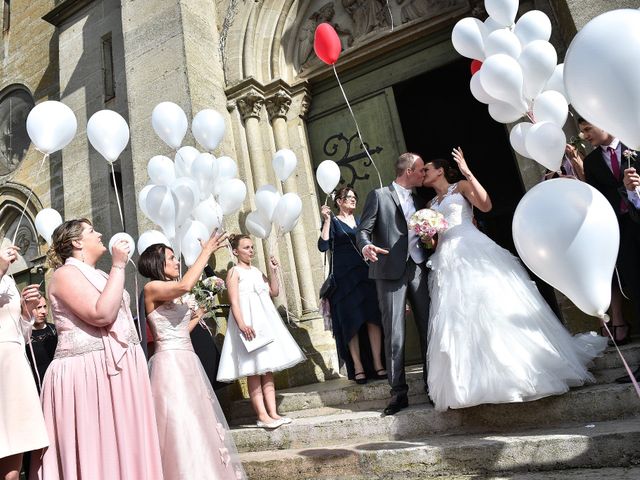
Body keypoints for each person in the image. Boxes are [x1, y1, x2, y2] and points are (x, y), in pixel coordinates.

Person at [423, 148, 608, 411]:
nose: (423, 174)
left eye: (426, 169)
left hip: (472, 246)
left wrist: (468, 172)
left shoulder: (460, 186)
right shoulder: (429, 206)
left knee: (491, 303)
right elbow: (434, 241)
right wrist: (427, 236)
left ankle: (519, 371)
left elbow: (486, 205)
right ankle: (473, 381)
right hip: (446, 256)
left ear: (440, 170)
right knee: (458, 315)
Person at [31, 219, 163, 480]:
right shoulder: (64, 275)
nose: (101, 233)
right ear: (77, 242)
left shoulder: (102, 275)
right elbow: (100, 313)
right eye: (92, 231)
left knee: (123, 443)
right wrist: (118, 265)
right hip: (86, 374)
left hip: (116, 371)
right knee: (97, 446)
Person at [139, 231, 246, 480]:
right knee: (180, 422)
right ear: (158, 264)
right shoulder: (151, 287)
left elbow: (181, 330)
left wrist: (199, 313)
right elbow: (186, 285)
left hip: (188, 360)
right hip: (170, 365)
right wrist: (205, 252)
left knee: (200, 421)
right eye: (172, 258)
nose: (177, 262)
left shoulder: (171, 292)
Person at [356, 152, 431, 416]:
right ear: (409, 170)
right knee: (395, 333)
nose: (424, 174)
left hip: (419, 268)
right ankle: (398, 392)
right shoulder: (379, 195)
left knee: (429, 327)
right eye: (421, 169)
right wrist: (366, 247)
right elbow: (363, 230)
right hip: (388, 271)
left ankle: (432, 385)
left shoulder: (423, 199)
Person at [217, 234, 306, 429]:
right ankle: (262, 415)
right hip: (249, 324)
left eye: (251, 247)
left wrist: (274, 271)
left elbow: (273, 291)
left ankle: (273, 412)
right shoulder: (234, 272)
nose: (251, 251)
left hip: (264, 323)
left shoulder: (256, 271)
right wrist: (242, 325)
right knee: (254, 369)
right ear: (235, 251)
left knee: (267, 369)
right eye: (246, 247)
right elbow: (234, 302)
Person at [579, 118, 640, 351]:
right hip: (620, 232)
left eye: (587, 129)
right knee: (635, 287)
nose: (585, 136)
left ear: (603, 123)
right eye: (582, 131)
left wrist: (636, 189)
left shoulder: (634, 145)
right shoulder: (592, 161)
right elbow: (599, 199)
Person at [318, 187, 385, 384]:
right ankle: (357, 367)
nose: (354, 200)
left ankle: (378, 363)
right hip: (344, 280)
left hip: (366, 275)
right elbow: (322, 246)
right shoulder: (334, 222)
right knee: (351, 323)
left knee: (373, 319)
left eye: (355, 197)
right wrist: (327, 220)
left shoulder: (361, 221)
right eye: (349, 197)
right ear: (339, 201)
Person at [0, 245, 48, 480]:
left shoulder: (9, 279)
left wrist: (27, 311)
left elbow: (22, 333)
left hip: (16, 361)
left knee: (16, 443)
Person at [25, 294, 57, 390]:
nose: (43, 311)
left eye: (45, 307)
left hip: (57, 383)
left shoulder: (55, 330)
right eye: (38, 308)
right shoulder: (24, 335)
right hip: (36, 388)